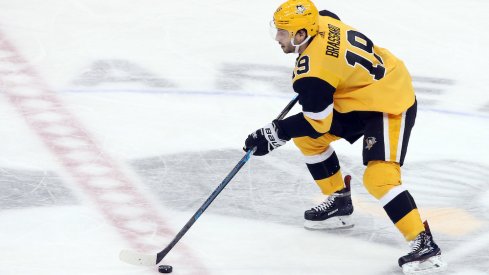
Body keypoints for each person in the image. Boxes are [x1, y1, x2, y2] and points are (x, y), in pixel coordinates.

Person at [242, 0, 447, 274]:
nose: (278, 37)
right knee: (309, 141)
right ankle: (339, 201)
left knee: (379, 177)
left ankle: (425, 245)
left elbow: (317, 121)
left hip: (389, 99)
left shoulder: (313, 76)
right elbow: (331, 16)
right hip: (359, 96)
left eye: (283, 31)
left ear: (302, 34)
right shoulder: (322, 20)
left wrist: (276, 133)